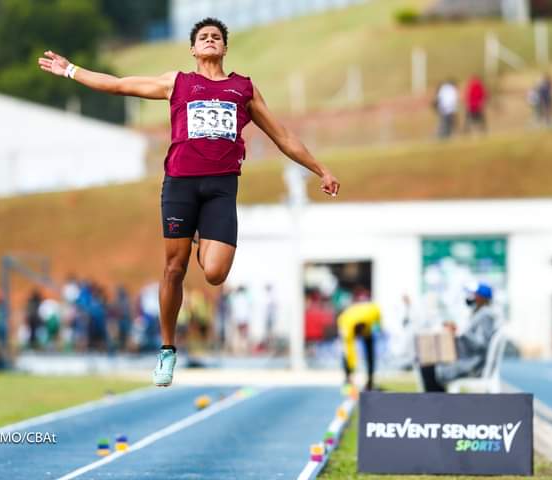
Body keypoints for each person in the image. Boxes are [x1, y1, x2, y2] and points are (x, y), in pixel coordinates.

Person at [39, 17, 340, 386]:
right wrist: (70, 70)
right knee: (174, 269)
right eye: (203, 37)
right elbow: (119, 85)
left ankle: (201, 236)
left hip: (221, 188)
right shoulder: (178, 82)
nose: (211, 40)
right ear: (194, 49)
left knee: (215, 274)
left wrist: (320, 169)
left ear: (225, 48)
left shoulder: (242, 89)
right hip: (181, 186)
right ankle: (167, 351)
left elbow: (283, 137)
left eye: (217, 37)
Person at [420, 282, 499, 392]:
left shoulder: (486, 315)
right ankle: (439, 404)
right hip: (468, 359)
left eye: (474, 294)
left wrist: (459, 332)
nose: (471, 297)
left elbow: (482, 344)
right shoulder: (479, 313)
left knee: (428, 369)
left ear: (482, 298)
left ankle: (437, 405)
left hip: (473, 364)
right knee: (428, 366)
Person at [337, 298, 381, 390]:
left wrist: (370, 379)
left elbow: (378, 320)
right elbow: (350, 353)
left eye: (361, 334)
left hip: (366, 316)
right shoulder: (347, 326)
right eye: (358, 335)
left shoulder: (372, 314)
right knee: (346, 353)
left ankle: (370, 380)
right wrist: (352, 371)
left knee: (370, 352)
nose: (360, 337)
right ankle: (348, 378)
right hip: (348, 319)